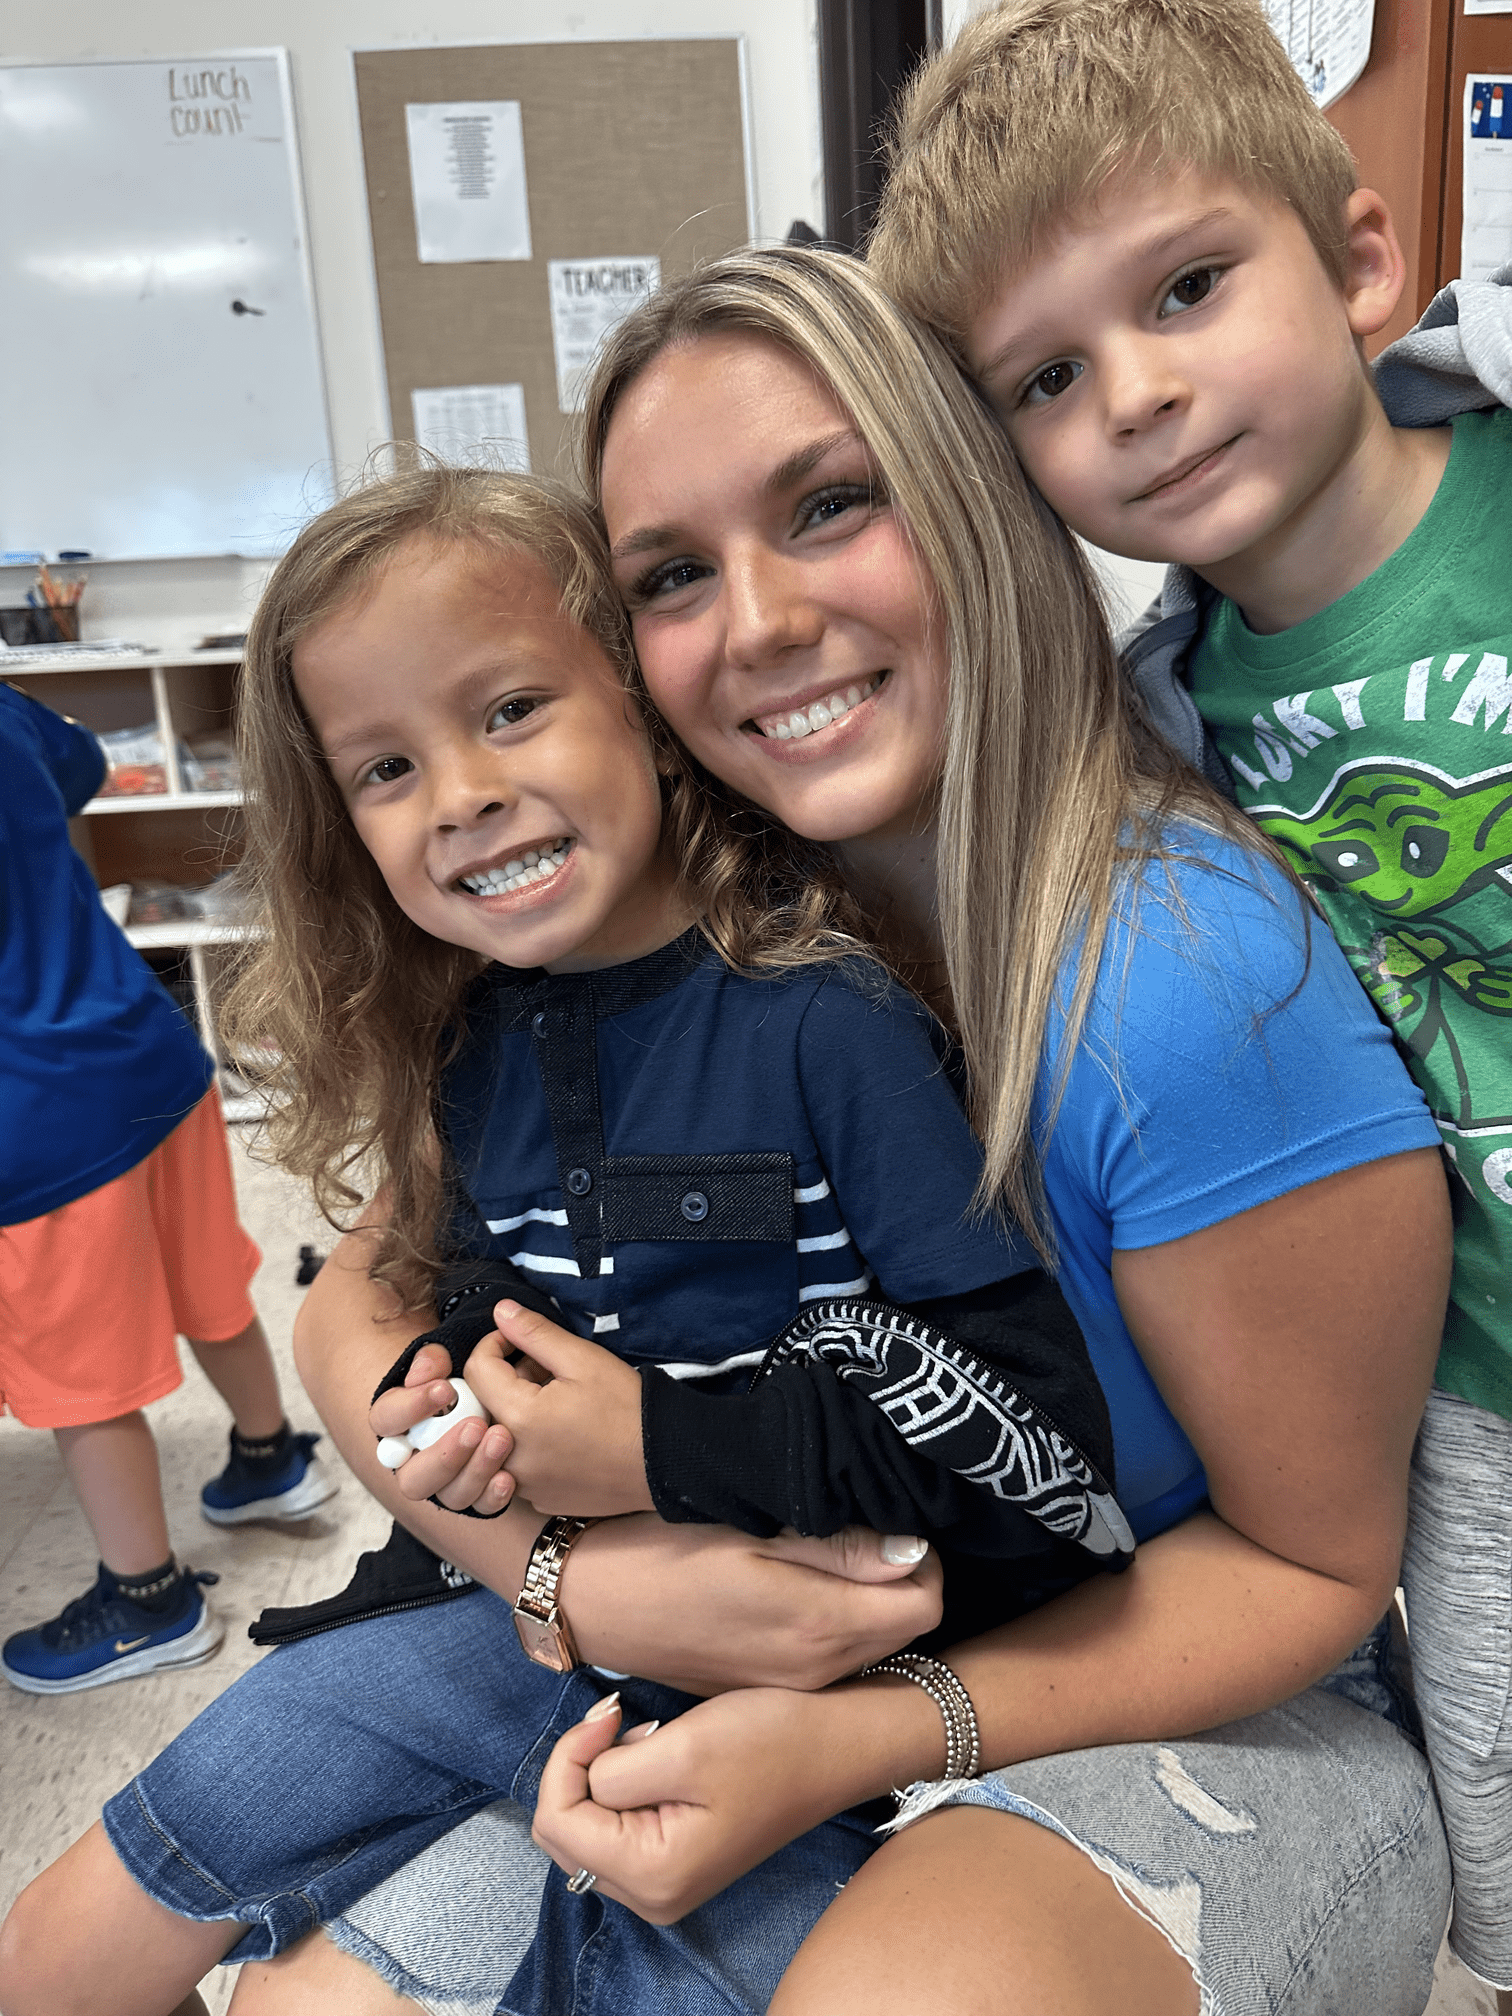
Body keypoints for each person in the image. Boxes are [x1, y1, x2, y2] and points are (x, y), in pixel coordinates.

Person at [1, 250, 1453, 2016]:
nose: (757, 623)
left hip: (1161, 1680)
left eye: (830, 504)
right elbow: (365, 1296)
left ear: (973, 504)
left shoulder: (1169, 981)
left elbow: (1303, 1565)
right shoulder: (666, 916)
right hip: (682, 1654)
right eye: (675, 574)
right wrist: (570, 1574)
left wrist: (809, 1685)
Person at [0, 461, 1138, 2014]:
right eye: (386, 768)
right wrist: (448, 1409)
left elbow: (1033, 1442)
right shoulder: (463, 1041)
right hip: (515, 1629)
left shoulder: (831, 1021)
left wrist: (661, 1444)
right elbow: (474, 1314)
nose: (458, 792)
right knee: (66, 1939)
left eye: (510, 709)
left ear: (642, 705)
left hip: (799, 1700)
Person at [868, 0, 1512, 1996]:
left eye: (1189, 289)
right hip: (1479, 1399)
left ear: (1363, 263)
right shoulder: (1157, 729)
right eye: (1051, 376)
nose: (1135, 394)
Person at [0, 679, 334, 1697]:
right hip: (147, 1059)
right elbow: (82, 766)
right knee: (206, 1284)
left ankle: (150, 1602)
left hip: (34, 1116)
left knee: (80, 1373)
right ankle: (270, 1457)